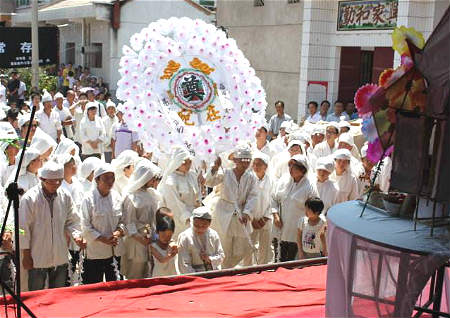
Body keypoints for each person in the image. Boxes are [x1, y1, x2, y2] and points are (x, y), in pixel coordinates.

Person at [19, 162, 83, 291]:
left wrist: (76, 235)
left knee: (57, 295)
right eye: (52, 182)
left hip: (59, 255)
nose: (56, 185)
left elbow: (73, 220)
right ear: (42, 180)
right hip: (37, 256)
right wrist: (26, 254)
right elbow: (22, 228)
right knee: (35, 295)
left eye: (59, 181)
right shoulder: (30, 199)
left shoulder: (65, 196)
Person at [205, 146, 257, 268]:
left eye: (247, 161)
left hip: (241, 212)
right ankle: (223, 271)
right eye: (242, 160)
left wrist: (247, 213)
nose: (245, 163)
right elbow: (209, 182)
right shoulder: (225, 173)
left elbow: (253, 196)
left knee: (243, 247)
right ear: (235, 160)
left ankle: (230, 267)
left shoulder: (251, 177)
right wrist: (215, 167)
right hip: (224, 212)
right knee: (224, 245)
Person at [81, 165, 125, 284]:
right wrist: (103, 239)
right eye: (106, 178)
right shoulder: (89, 199)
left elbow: (123, 221)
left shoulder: (116, 197)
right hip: (95, 253)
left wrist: (117, 233)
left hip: (114, 252)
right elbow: (85, 227)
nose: (110, 182)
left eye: (112, 178)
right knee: (94, 288)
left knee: (115, 287)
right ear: (97, 180)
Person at [272, 154, 318, 262]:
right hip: (280, 228)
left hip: (297, 233)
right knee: (278, 261)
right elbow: (274, 198)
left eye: (294, 167)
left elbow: (314, 208)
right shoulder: (283, 181)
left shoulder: (309, 187)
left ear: (303, 170)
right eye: (289, 166)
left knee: (292, 262)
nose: (291, 169)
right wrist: (275, 215)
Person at [121, 160, 163, 279]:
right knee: (136, 272)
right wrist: (140, 238)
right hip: (136, 241)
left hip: (150, 239)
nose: (154, 181)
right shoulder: (131, 197)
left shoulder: (152, 194)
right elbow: (129, 222)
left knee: (149, 271)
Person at [159, 147, 201, 239]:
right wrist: (188, 218)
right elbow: (174, 204)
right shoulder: (170, 181)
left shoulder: (192, 175)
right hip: (180, 220)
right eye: (184, 163)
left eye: (189, 162)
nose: (188, 165)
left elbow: (197, 194)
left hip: (195, 216)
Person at [243, 151, 273, 265]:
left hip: (266, 220)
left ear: (266, 166)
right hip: (251, 220)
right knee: (248, 248)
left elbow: (273, 201)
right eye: (254, 164)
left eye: (259, 164)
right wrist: (252, 218)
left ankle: (263, 270)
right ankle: (248, 271)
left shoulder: (271, 181)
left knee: (264, 248)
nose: (256, 166)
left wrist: (264, 218)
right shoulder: (248, 179)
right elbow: (245, 199)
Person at [177, 206, 224, 274]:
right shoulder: (185, 237)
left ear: (209, 223)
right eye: (196, 225)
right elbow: (184, 264)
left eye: (204, 226)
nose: (200, 229)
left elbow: (221, 255)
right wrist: (197, 276)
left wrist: (209, 259)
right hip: (193, 274)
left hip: (213, 272)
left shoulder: (213, 234)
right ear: (192, 221)